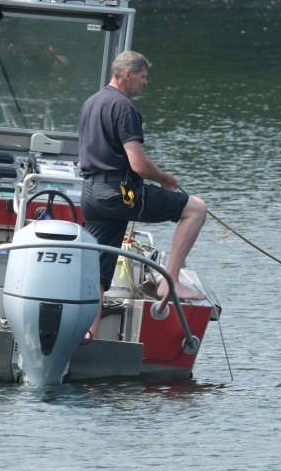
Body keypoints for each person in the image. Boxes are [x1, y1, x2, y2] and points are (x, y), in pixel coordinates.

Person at [78, 50, 207, 319]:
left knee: (99, 274)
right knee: (195, 208)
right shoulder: (123, 107)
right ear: (127, 74)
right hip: (117, 195)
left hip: (91, 194)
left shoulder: (92, 102)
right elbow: (137, 163)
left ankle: (90, 331)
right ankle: (169, 284)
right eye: (142, 76)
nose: (145, 82)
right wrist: (164, 178)